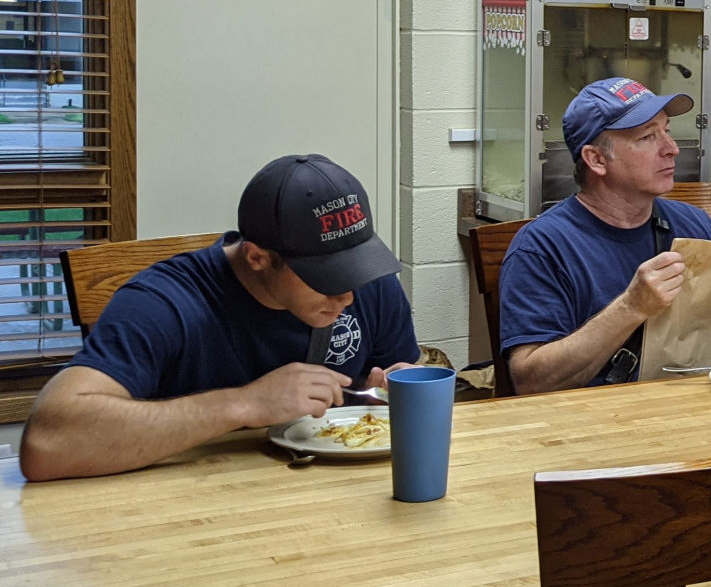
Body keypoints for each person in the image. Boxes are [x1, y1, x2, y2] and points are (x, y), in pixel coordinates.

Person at [20, 154, 419, 481]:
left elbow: (389, 390)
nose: (347, 294)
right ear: (257, 257)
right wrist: (243, 405)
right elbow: (47, 445)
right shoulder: (164, 303)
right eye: (326, 276)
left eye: (355, 268)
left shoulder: (370, 287)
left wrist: (395, 392)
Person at [498, 77, 711, 394]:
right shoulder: (542, 246)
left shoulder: (695, 225)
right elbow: (530, 382)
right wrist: (631, 307)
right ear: (597, 159)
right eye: (647, 137)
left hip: (687, 410)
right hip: (589, 423)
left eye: (666, 131)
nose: (672, 149)